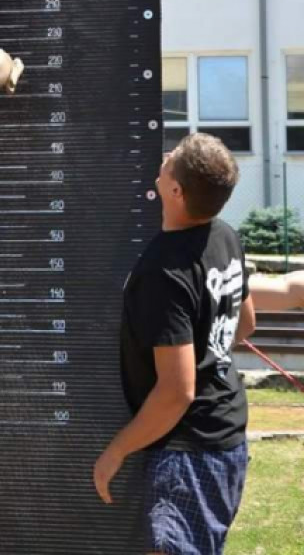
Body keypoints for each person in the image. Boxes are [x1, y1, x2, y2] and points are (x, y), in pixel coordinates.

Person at [93, 133, 256, 555]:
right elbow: (245, 323)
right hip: (228, 437)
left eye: (172, 160)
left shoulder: (165, 272)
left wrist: (116, 450)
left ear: (176, 191)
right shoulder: (226, 236)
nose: (165, 157)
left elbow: (176, 391)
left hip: (189, 455)